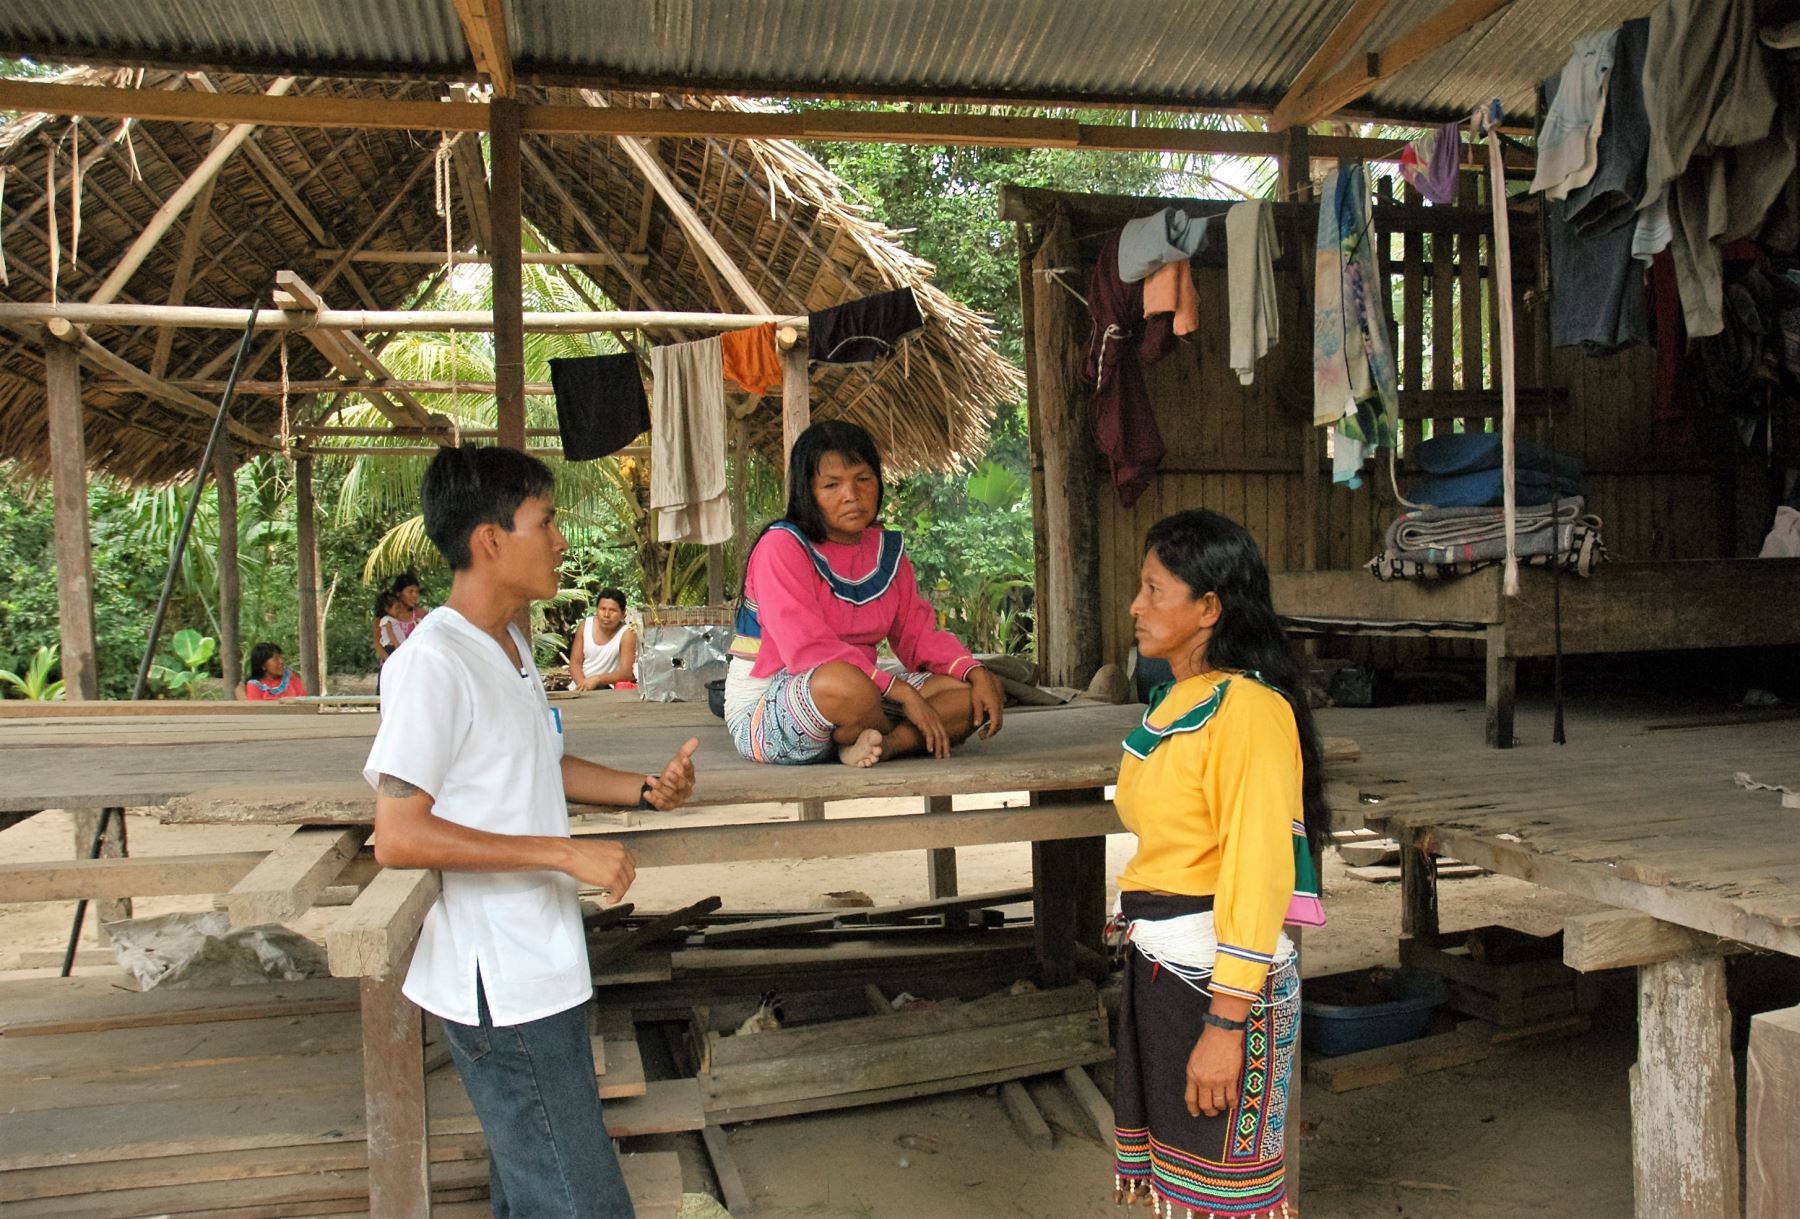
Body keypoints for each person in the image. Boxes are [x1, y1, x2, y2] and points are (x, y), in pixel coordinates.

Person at [364, 445, 700, 1219]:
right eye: (544, 522)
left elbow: (538, 762)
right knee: (581, 1201)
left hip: (539, 962)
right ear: (488, 540)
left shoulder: (509, 645)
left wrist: (643, 791)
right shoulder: (431, 663)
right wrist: (560, 851)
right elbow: (398, 834)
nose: (560, 540)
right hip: (499, 986)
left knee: (537, 1191)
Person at [1109, 509, 1328, 1219]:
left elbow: (1259, 866)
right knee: (1185, 1190)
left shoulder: (1251, 711)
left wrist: (1227, 1022)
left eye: (1153, 589)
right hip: (1165, 971)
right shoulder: (1177, 700)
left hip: (1218, 985)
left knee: (1228, 1199)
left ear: (1208, 607)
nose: (1136, 607)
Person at [725, 420, 1005, 768]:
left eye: (863, 479)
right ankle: (898, 734)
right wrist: (903, 694)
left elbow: (919, 637)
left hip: (870, 696)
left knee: (968, 696)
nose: (852, 495)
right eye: (831, 485)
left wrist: (975, 672)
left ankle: (883, 745)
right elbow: (807, 648)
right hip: (775, 703)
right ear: (806, 492)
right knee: (843, 684)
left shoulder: (886, 550)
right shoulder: (780, 546)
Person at [568, 588, 639, 691]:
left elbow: (626, 672)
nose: (606, 615)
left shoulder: (627, 633)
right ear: (596, 609)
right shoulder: (585, 625)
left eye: (612, 610)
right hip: (578, 688)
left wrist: (597, 679)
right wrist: (583, 685)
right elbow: (575, 663)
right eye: (602, 609)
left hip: (607, 693)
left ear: (623, 613)